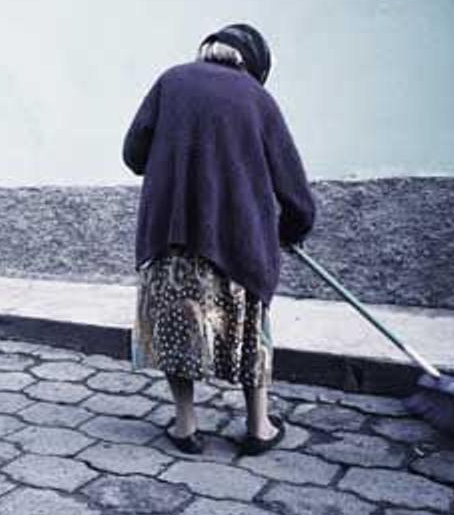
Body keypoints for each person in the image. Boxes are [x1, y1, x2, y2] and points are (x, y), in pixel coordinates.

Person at [122, 23, 316, 456]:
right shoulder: (259, 100)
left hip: (171, 236)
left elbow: (133, 153)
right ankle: (258, 427)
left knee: (178, 328)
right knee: (250, 331)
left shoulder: (171, 81)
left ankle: (186, 426)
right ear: (253, 65)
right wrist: (293, 228)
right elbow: (293, 187)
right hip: (237, 242)